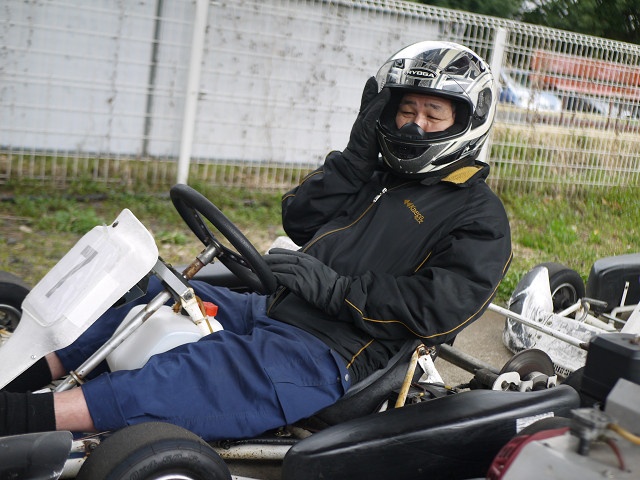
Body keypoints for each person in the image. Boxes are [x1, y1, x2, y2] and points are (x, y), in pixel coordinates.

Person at [1, 41, 512, 441]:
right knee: (148, 297)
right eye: (406, 110)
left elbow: (440, 309)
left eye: (433, 114)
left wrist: (338, 291)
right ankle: (17, 375)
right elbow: (300, 218)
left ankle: (21, 418)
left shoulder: (477, 216)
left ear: (464, 124)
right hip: (273, 308)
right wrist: (355, 160)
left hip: (334, 353)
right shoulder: (376, 176)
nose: (415, 125)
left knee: (188, 374)